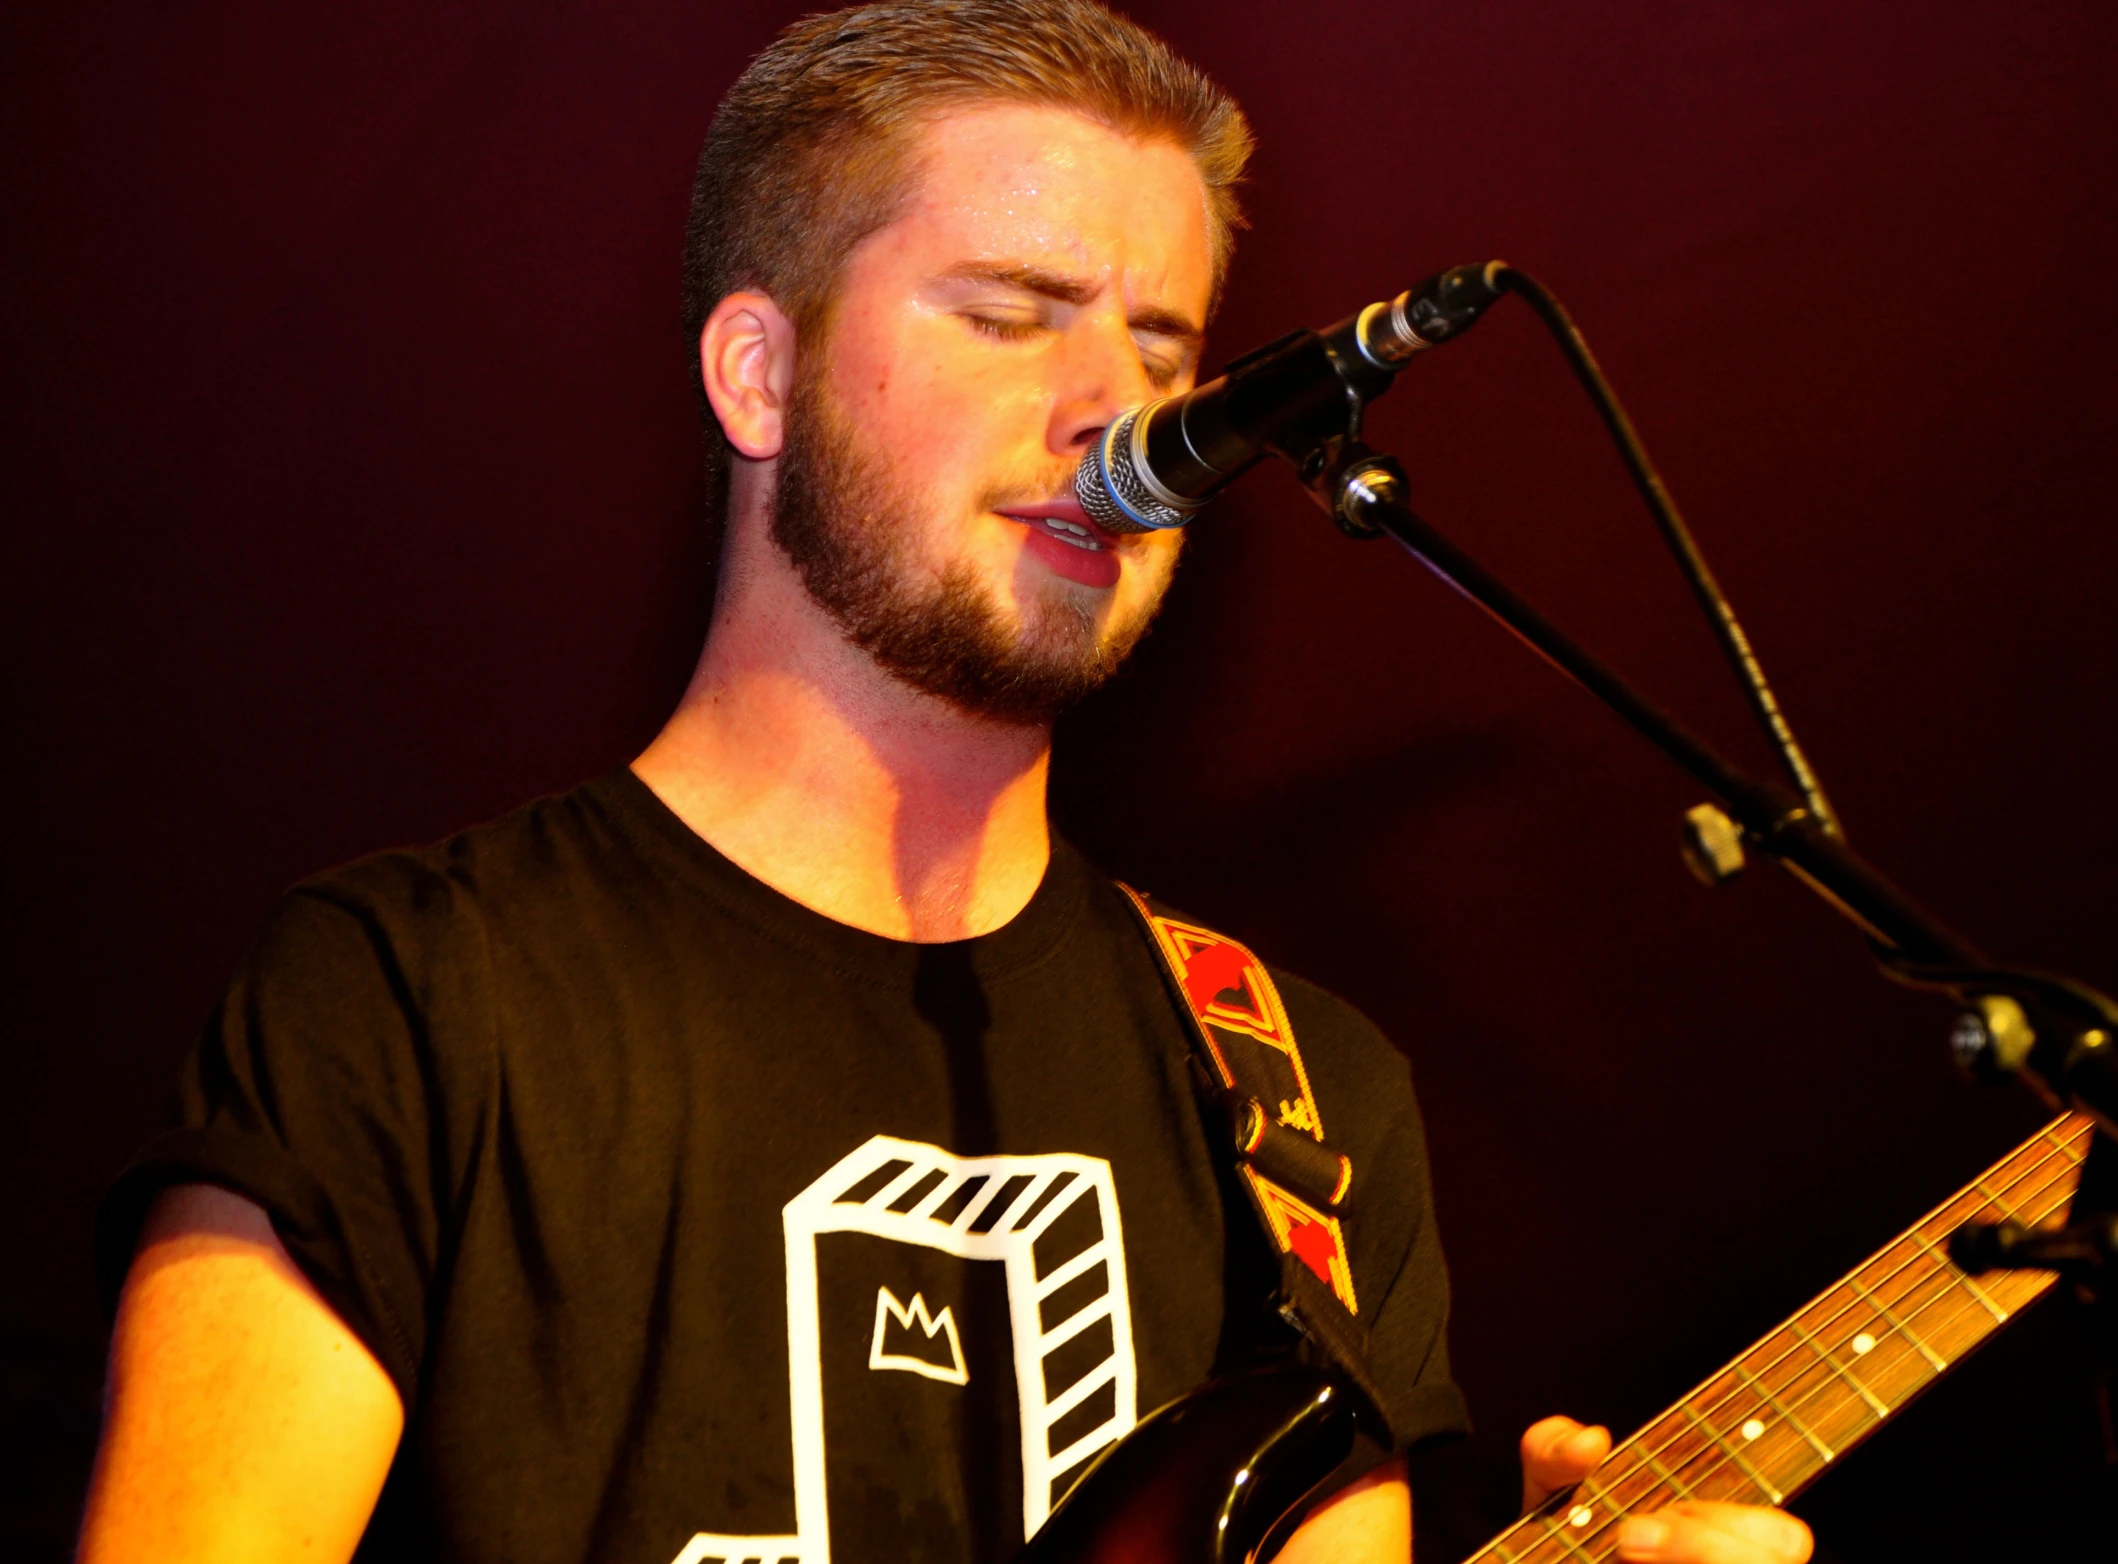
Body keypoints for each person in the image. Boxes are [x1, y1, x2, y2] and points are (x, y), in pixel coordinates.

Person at [76, 5, 1815, 1562]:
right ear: (759, 372)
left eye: (1159, 348)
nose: (1112, 414)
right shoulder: (408, 993)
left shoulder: (1302, 1095)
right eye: (1008, 316)